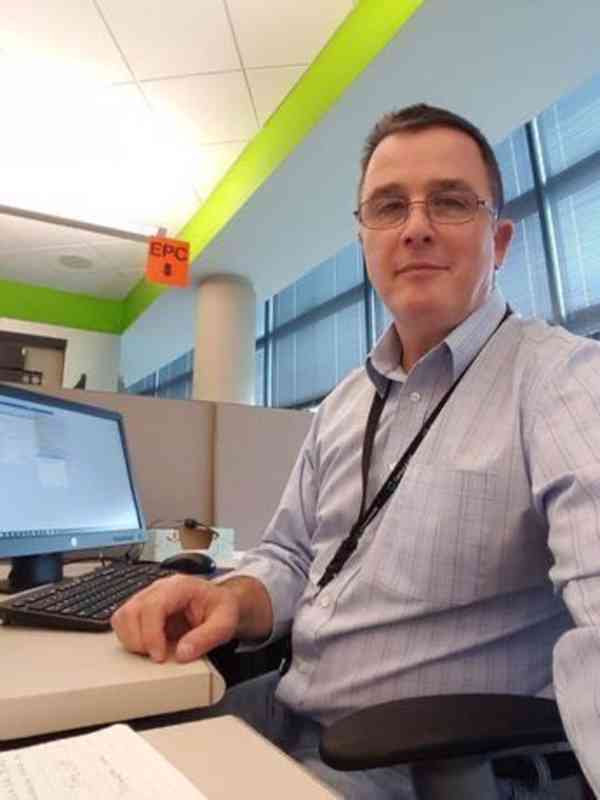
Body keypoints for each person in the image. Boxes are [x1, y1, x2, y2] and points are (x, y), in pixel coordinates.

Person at [112, 104, 600, 798]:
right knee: (92, 754)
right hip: (283, 707)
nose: (416, 226)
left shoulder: (564, 382)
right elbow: (290, 557)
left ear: (499, 241)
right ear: (366, 239)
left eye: (450, 202)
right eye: (389, 206)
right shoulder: (344, 404)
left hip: (412, 764)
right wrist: (232, 599)